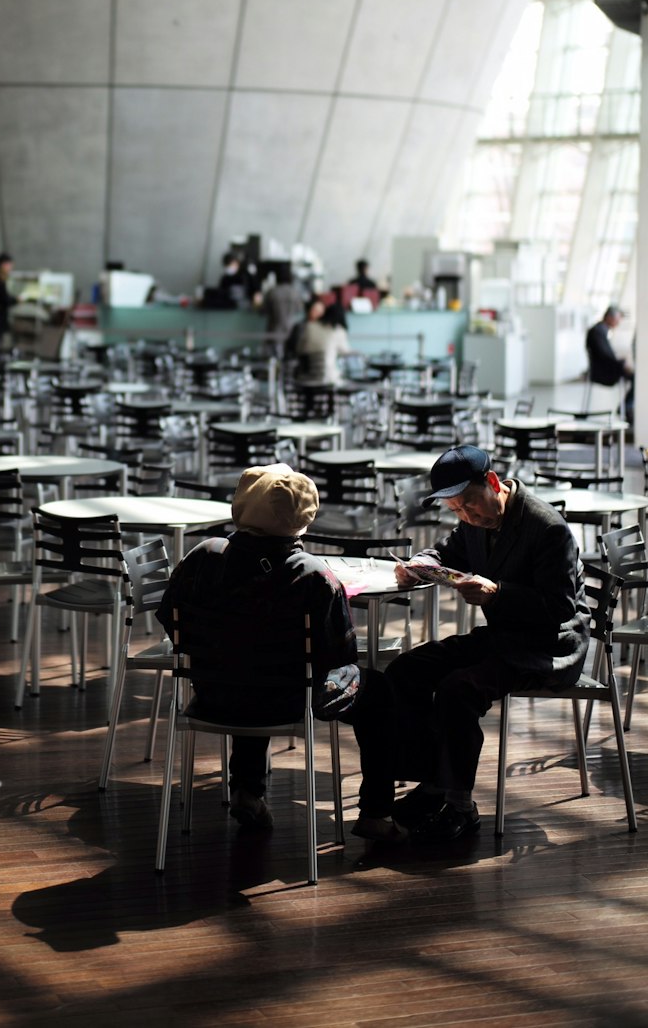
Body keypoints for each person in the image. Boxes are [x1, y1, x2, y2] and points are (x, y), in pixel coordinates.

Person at [356, 444, 590, 845]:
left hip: (546, 645)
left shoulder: (547, 528)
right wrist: (420, 564)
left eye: (470, 505)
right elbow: (446, 552)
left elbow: (559, 609)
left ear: (494, 483)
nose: (467, 516)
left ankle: (461, 806)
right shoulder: (472, 522)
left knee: (458, 689)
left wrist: (498, 593)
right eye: (456, 511)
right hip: (504, 637)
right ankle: (433, 783)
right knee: (407, 670)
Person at [156, 464, 392, 833]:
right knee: (378, 691)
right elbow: (339, 656)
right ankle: (377, 813)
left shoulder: (202, 556)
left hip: (213, 694)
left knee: (248, 666)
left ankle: (247, 791)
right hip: (284, 701)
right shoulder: (314, 576)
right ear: (304, 516)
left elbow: (168, 617)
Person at [586, 305, 634, 424]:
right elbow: (605, 357)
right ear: (609, 317)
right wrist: (622, 364)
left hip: (606, 369)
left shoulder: (601, 330)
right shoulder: (598, 332)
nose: (618, 322)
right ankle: (626, 407)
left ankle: (626, 407)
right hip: (603, 373)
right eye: (618, 319)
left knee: (635, 376)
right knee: (637, 378)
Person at [291, 296, 352, 384]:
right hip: (318, 376)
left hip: (306, 375)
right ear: (308, 311)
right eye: (315, 310)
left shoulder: (310, 327)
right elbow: (346, 351)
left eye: (321, 311)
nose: (319, 314)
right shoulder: (332, 330)